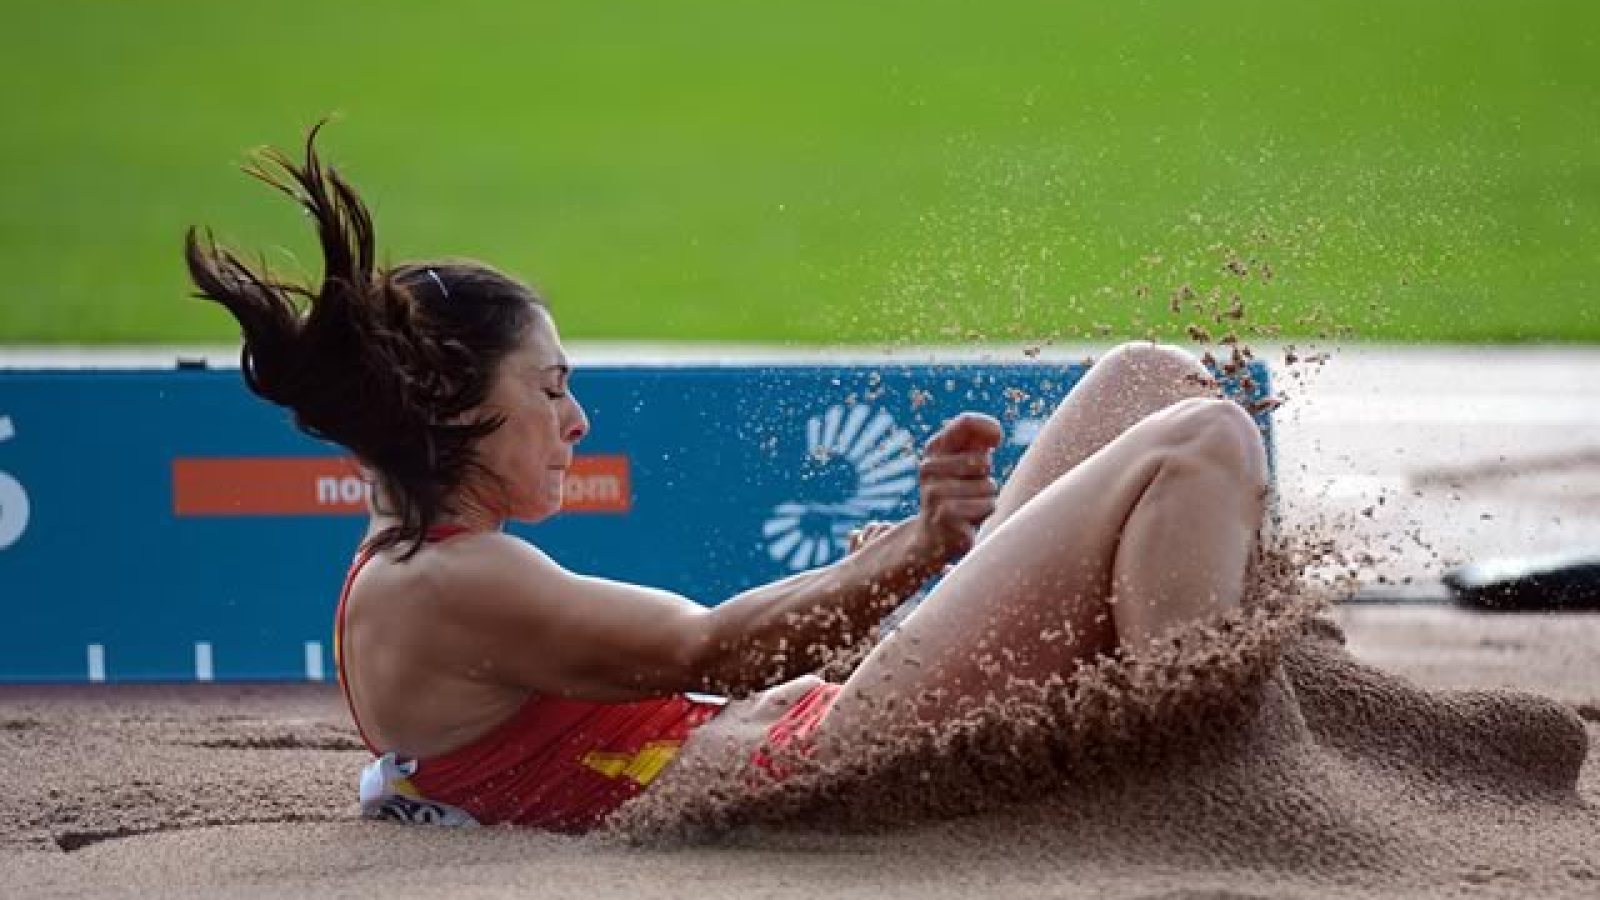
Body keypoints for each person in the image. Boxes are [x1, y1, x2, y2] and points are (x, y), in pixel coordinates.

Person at [184, 126, 1269, 833]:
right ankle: (1201, 784)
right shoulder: (441, 585)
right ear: (453, 406)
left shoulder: (416, 570)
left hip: (813, 725)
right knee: (1201, 440)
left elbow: (712, 670)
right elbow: (713, 649)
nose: (577, 421)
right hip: (823, 766)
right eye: (551, 390)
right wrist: (917, 549)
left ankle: (1190, 693)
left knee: (1148, 378)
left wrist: (877, 579)